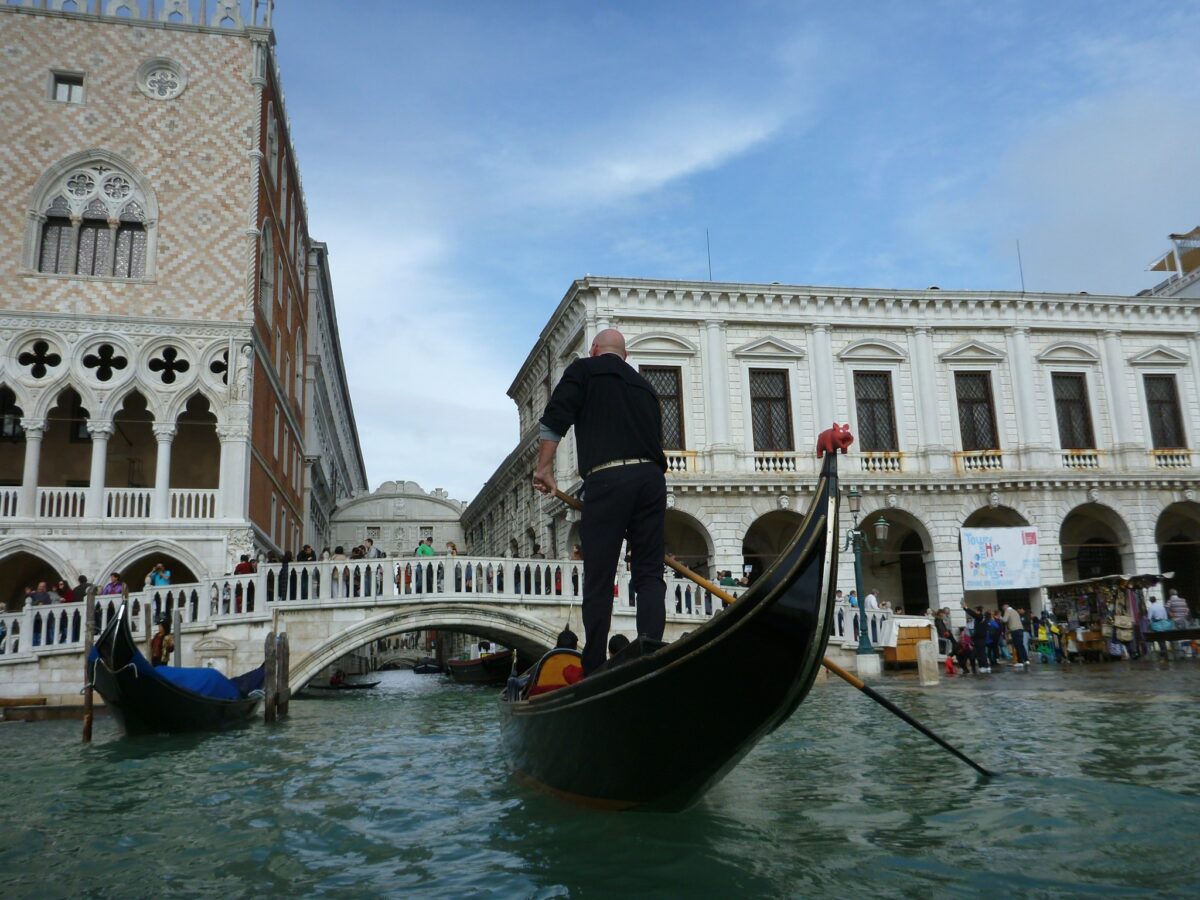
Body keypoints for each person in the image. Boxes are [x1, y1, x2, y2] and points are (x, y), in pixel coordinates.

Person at [533, 328, 668, 676]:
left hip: (607, 480)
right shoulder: (646, 387)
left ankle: (594, 665)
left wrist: (544, 468)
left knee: (599, 575)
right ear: (624, 357)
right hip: (652, 479)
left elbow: (555, 417)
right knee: (650, 573)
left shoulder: (583, 370)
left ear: (594, 350)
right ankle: (651, 650)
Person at [965, 605, 991, 673]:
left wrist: (966, 607)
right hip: (980, 637)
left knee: (980, 653)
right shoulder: (981, 617)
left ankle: (983, 666)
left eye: (975, 610)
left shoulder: (980, 616)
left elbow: (972, 614)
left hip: (979, 638)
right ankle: (985, 666)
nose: (975, 612)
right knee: (982, 652)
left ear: (978, 611)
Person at [1002, 602, 1029, 667]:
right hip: (1021, 629)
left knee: (1017, 646)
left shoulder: (1007, 611)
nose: (1004, 610)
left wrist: (1001, 618)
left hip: (1015, 630)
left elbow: (1004, 620)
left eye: (1003, 609)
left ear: (1005, 607)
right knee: (1021, 645)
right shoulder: (1015, 611)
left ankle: (1020, 662)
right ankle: (1026, 660)